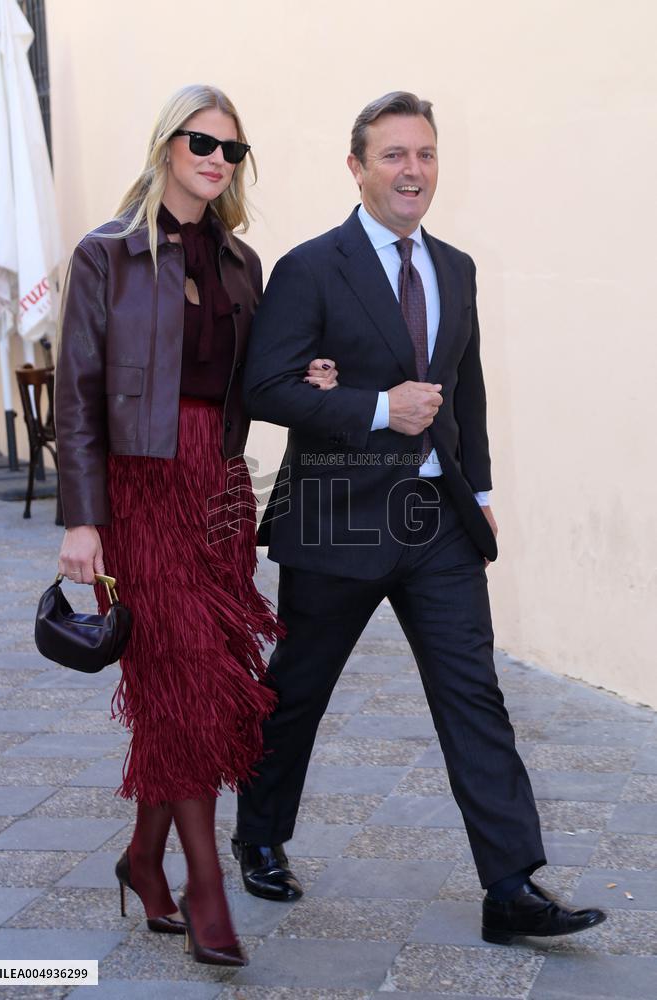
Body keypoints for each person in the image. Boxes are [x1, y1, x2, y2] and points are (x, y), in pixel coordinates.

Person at [233, 91, 606, 945]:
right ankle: (259, 835)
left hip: (436, 516)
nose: (413, 170)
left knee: (474, 694)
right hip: (338, 514)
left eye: (426, 154)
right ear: (356, 166)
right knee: (296, 693)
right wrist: (373, 408)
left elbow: (464, 389)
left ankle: (510, 885)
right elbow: (265, 387)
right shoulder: (311, 267)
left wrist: (475, 491)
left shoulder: (458, 267)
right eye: (394, 154)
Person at [54, 83, 336, 967]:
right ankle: (205, 888)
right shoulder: (107, 254)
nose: (216, 159)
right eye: (200, 142)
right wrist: (82, 521)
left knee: (197, 678)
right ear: (165, 145)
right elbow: (78, 398)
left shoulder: (241, 264)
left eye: (231, 149)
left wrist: (309, 378)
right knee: (181, 678)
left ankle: (144, 858)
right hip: (139, 490)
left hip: (214, 486)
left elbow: (248, 386)